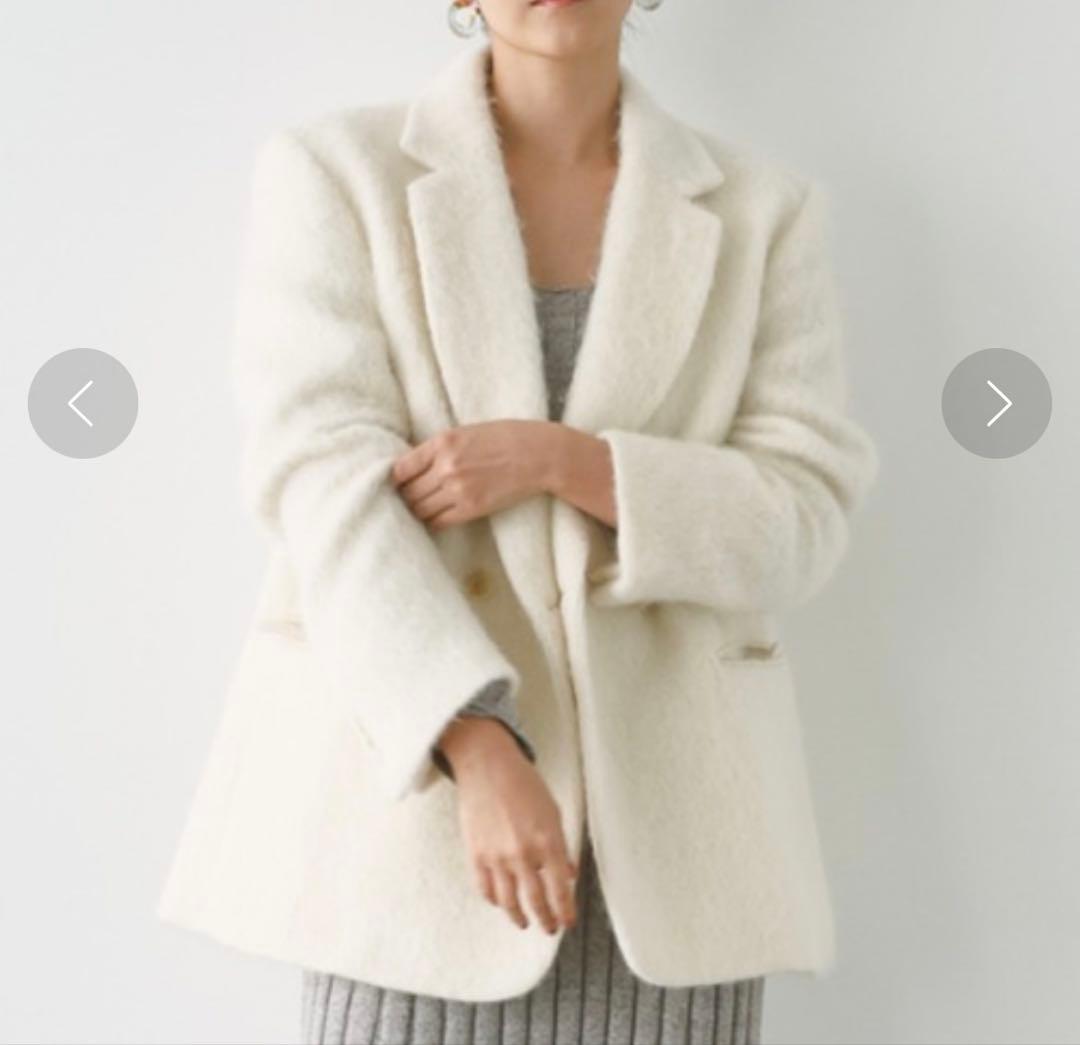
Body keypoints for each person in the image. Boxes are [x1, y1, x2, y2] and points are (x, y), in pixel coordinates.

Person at [156, 1, 879, 1042]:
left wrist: (564, 462)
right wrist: (473, 737)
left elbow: (800, 516)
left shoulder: (765, 211)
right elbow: (321, 487)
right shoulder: (338, 173)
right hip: (413, 836)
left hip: (675, 863)